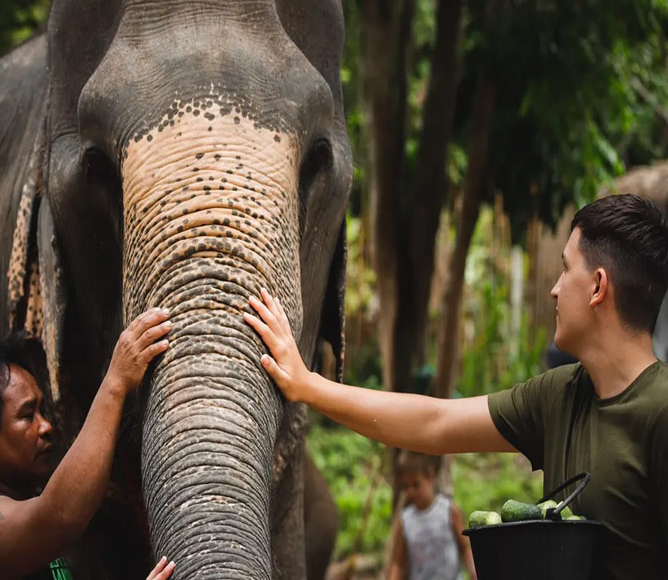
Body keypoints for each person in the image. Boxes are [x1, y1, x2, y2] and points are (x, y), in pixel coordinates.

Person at [244, 194, 668, 579]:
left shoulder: (659, 411)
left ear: (597, 286)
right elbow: (435, 423)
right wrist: (306, 384)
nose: (554, 289)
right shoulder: (560, 396)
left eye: (564, 268)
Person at [0, 312, 176, 580]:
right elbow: (58, 517)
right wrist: (115, 383)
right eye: (26, 415)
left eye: (42, 411)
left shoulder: (23, 505)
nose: (45, 426)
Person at [389, 451, 476, 580]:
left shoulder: (449, 510)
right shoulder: (405, 521)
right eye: (406, 487)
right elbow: (399, 563)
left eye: (416, 484)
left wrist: (473, 571)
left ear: (430, 477)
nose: (410, 491)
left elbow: (464, 547)